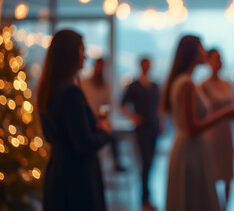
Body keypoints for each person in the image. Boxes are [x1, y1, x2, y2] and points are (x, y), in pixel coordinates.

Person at [160, 35, 234, 211]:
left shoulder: (185, 82)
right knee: (195, 200)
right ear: (192, 53)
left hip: (191, 147)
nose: (204, 52)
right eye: (201, 48)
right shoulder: (187, 84)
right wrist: (226, 113)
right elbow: (192, 128)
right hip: (190, 149)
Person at [37, 30, 111, 211]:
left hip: (57, 172)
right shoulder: (71, 92)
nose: (85, 57)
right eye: (82, 51)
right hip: (78, 178)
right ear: (70, 54)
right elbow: (84, 144)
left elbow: (50, 136)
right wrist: (104, 132)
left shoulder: (47, 90)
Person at [121, 58, 160, 211]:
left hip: (153, 127)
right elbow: (122, 103)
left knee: (150, 162)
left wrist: (161, 121)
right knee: (145, 162)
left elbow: (159, 106)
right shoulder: (134, 86)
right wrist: (133, 117)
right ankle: (144, 198)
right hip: (142, 128)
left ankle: (146, 195)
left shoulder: (155, 85)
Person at [199, 49, 234, 209]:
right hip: (212, 132)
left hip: (227, 131)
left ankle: (225, 206)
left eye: (220, 59)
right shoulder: (203, 86)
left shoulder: (227, 83)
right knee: (213, 172)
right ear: (209, 62)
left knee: (228, 173)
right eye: (215, 59)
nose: (218, 62)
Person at [81, 58, 126, 172]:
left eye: (102, 67)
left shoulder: (106, 85)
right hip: (85, 123)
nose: (100, 69)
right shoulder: (84, 83)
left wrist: (101, 116)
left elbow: (108, 104)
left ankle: (116, 163)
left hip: (99, 123)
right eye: (98, 66)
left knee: (109, 139)